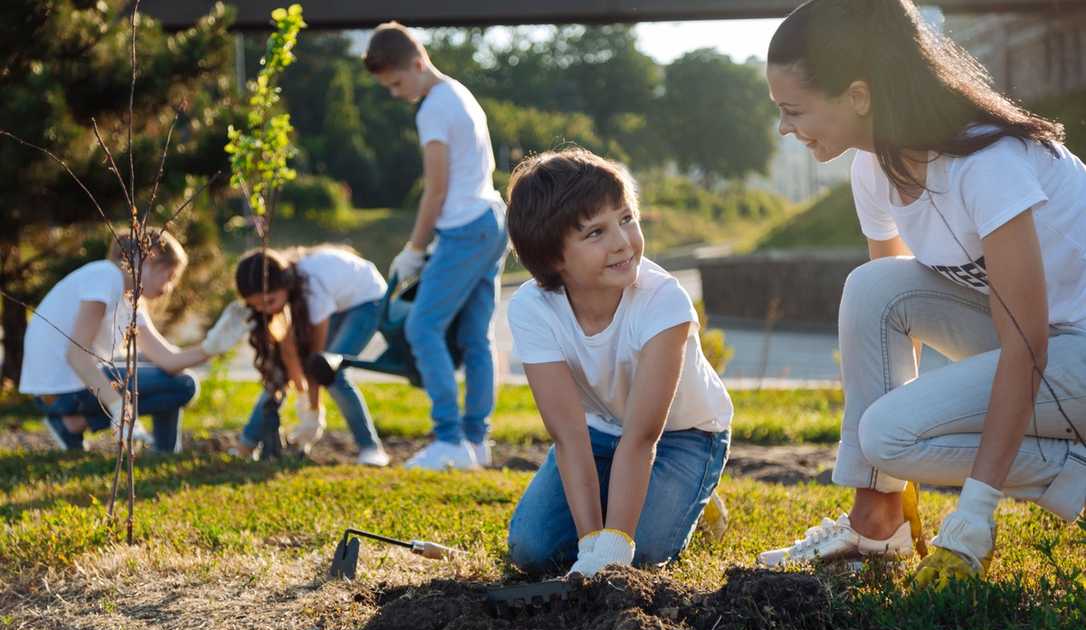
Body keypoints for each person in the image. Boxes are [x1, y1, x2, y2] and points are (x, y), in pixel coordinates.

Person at [756, 0, 1086, 587]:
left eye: (793, 110)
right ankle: (877, 523)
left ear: (858, 95)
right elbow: (886, 319)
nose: (785, 127)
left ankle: (1076, 467)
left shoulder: (987, 162)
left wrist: (973, 516)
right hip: (1044, 347)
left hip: (1069, 348)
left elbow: (1027, 344)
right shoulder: (873, 167)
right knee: (872, 286)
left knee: (889, 432)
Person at [503, 148, 733, 576]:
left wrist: (612, 549)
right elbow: (570, 436)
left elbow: (643, 437)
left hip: (685, 435)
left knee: (640, 554)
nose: (623, 242)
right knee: (532, 551)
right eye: (595, 233)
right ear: (554, 257)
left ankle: (696, 493)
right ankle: (623, 500)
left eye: (626, 218)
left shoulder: (663, 302)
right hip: (599, 433)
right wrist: (592, 542)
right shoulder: (533, 309)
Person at [363, 21, 508, 471]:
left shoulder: (433, 109)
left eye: (396, 82)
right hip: (492, 220)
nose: (395, 93)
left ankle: (449, 442)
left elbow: (436, 189)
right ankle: (475, 440)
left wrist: (414, 248)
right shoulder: (461, 94)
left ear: (417, 62)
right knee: (475, 337)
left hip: (464, 229)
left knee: (422, 328)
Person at [20, 228, 249, 453]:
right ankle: (75, 423)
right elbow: (76, 355)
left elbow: (168, 360)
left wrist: (212, 346)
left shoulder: (129, 298)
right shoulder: (106, 275)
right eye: (169, 276)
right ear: (151, 257)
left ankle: (157, 449)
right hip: (58, 391)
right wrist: (117, 405)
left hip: (69, 389)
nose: (169, 288)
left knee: (180, 380)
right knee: (183, 385)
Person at [234, 245, 391, 466]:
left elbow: (316, 360)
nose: (265, 310)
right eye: (257, 306)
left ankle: (370, 448)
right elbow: (289, 355)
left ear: (284, 285)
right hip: (337, 303)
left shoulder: (311, 288)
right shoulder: (285, 296)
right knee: (277, 373)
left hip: (368, 300)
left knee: (332, 374)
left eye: (269, 302)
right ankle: (246, 444)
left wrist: (313, 412)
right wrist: (302, 397)